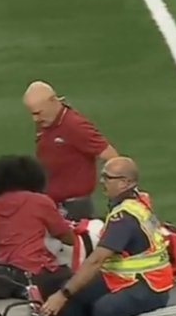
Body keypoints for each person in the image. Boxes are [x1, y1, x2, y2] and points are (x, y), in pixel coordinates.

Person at [39, 156, 173, 316]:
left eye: (107, 178)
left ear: (124, 183)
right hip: (129, 277)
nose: (102, 182)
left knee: (105, 309)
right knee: (76, 298)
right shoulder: (137, 202)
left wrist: (62, 295)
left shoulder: (125, 217)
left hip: (150, 285)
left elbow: (97, 260)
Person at [0, 154, 87, 299]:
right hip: (37, 271)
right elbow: (67, 238)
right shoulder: (39, 201)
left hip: (6, 271)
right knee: (81, 282)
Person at [24, 81, 120, 220]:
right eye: (32, 114)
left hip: (75, 208)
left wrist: (118, 192)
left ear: (52, 101)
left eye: (38, 113)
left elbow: (112, 156)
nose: (35, 119)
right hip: (52, 203)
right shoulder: (46, 121)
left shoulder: (74, 125)